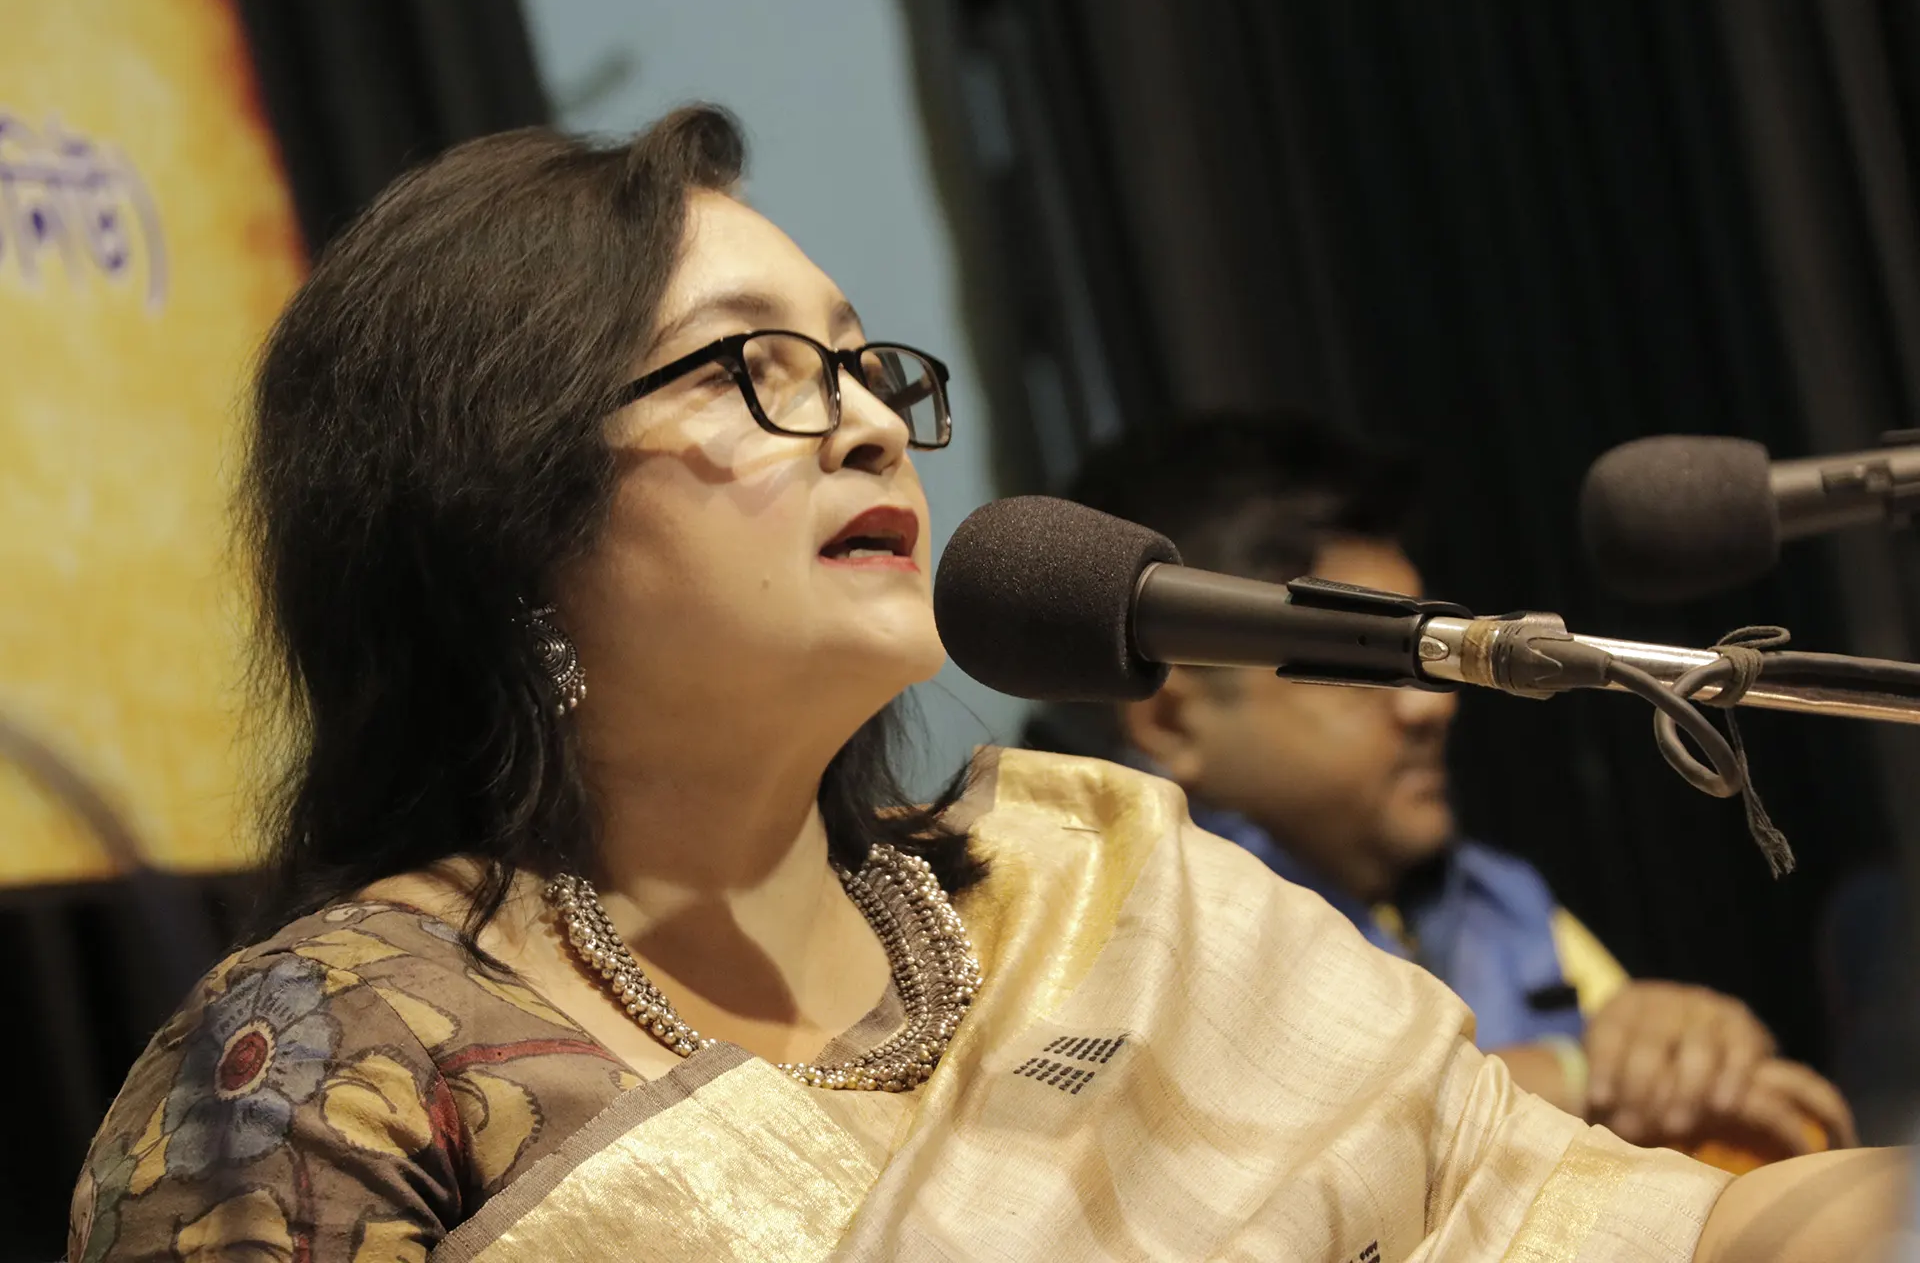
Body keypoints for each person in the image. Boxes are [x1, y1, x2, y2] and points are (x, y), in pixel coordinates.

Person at [69, 108, 1903, 1261]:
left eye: (868, 363)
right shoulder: (329, 1066)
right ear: (497, 510)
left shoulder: (1102, 900)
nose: (871, 422)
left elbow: (1635, 1223)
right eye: (751, 370)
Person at [1026, 410, 1856, 1163]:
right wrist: (1574, 1077)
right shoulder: (1090, 947)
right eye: (1360, 668)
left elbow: (1662, 1096)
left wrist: (1687, 1047)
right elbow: (1236, 1163)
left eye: (1426, 661)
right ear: (1172, 722)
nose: (1433, 707)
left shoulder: (1504, 904)